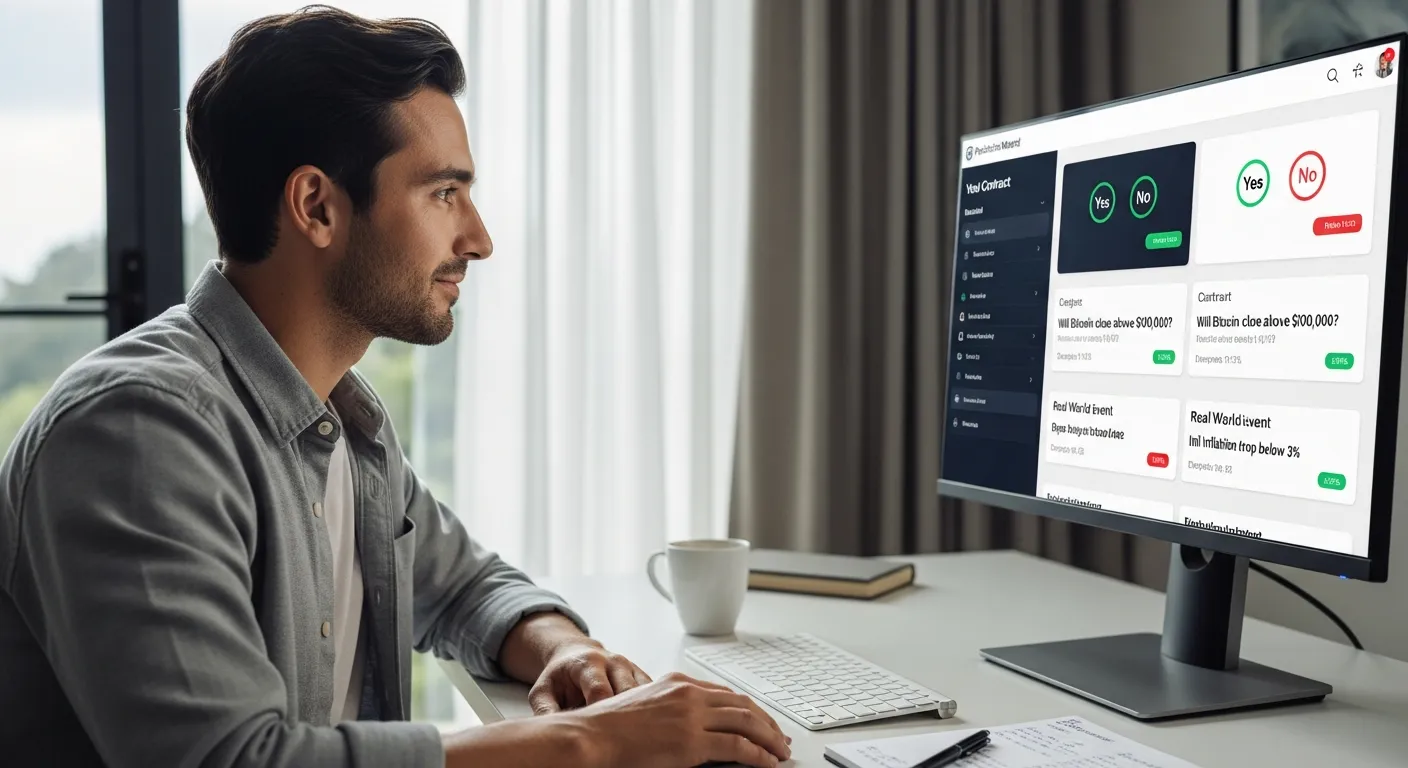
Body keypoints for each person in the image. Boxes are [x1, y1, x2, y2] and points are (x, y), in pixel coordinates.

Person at [0, 7, 790, 768]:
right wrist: (597, 742)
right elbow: (230, 758)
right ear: (317, 206)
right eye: (444, 193)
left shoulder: (342, 419)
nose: (478, 239)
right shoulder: (139, 431)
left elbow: (464, 588)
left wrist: (568, 649)